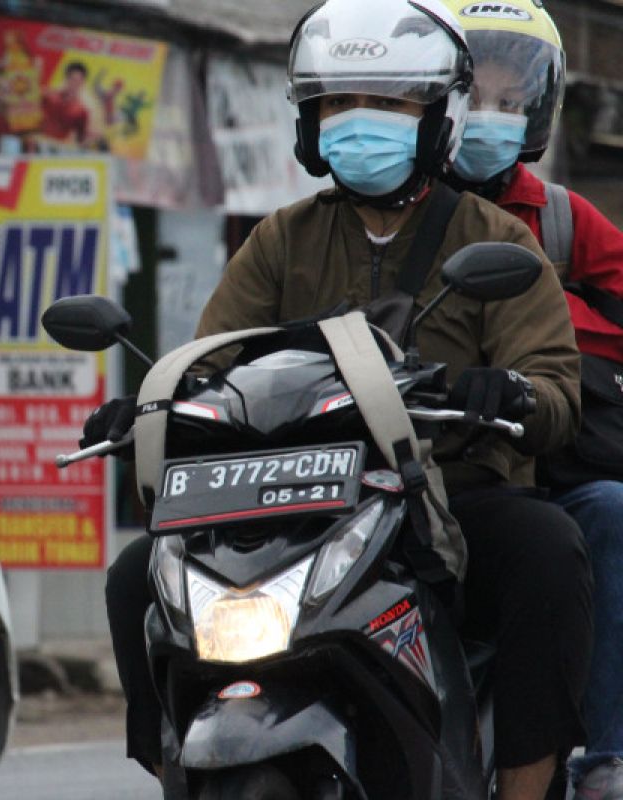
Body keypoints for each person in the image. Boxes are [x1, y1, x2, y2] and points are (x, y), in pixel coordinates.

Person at [92, 1, 593, 799]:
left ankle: (529, 790)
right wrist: (150, 407)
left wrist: (514, 394)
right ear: (310, 124)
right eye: (339, 104)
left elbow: (556, 389)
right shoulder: (278, 239)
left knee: (547, 548)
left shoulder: (497, 238)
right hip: (290, 501)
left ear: (435, 120)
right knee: (133, 576)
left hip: (446, 503)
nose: (362, 123)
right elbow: (209, 361)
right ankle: (173, 772)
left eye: (390, 106)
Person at [439, 1, 623, 796]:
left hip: (543, 459)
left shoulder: (558, 217)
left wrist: (539, 329)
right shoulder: (384, 209)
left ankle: (604, 757)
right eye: (474, 95)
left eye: (510, 102)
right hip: (426, 461)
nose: (490, 115)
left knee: (611, 512)